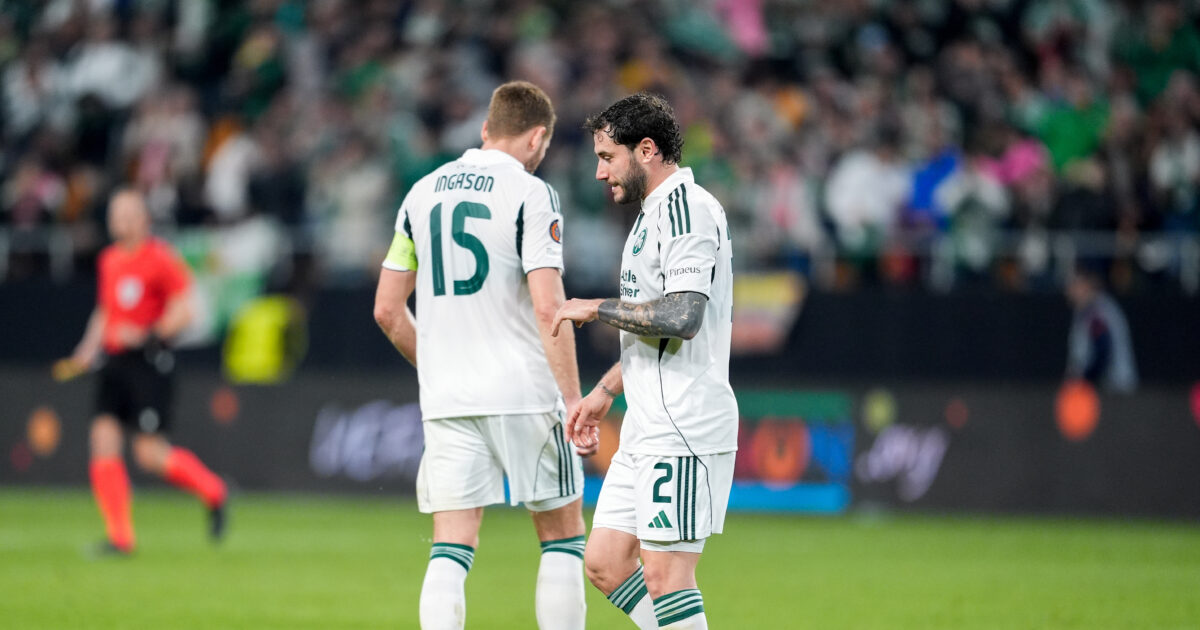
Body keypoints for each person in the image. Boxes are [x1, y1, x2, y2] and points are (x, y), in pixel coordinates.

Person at [373, 81, 588, 630]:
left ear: (486, 129)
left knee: (451, 547)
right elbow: (550, 307)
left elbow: (388, 311)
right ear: (537, 138)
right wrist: (572, 399)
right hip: (524, 390)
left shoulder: (420, 194)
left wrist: (438, 365)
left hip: (448, 398)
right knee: (562, 538)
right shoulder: (532, 194)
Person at [553, 92, 739, 630]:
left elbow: (682, 317)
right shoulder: (649, 217)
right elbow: (654, 330)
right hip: (645, 422)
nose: (599, 172)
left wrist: (597, 308)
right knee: (606, 563)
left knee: (666, 576)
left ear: (647, 150)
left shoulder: (687, 211)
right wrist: (606, 390)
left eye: (607, 157)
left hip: (684, 421)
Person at [57, 189, 228, 555]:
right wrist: (87, 350)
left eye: (127, 215)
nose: (119, 221)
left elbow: (186, 311)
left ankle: (214, 491)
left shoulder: (161, 259)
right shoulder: (109, 260)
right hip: (114, 362)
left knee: (149, 454)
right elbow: (105, 311)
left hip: (149, 362)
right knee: (103, 440)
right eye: (115, 215)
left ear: (143, 220)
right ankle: (120, 537)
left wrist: (146, 333)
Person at [1065, 267, 1138, 393]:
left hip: (1113, 388)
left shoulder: (1097, 310)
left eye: (1074, 284)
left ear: (1086, 285)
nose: (1068, 290)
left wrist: (1085, 380)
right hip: (1110, 386)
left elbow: (1103, 347)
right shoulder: (1090, 309)